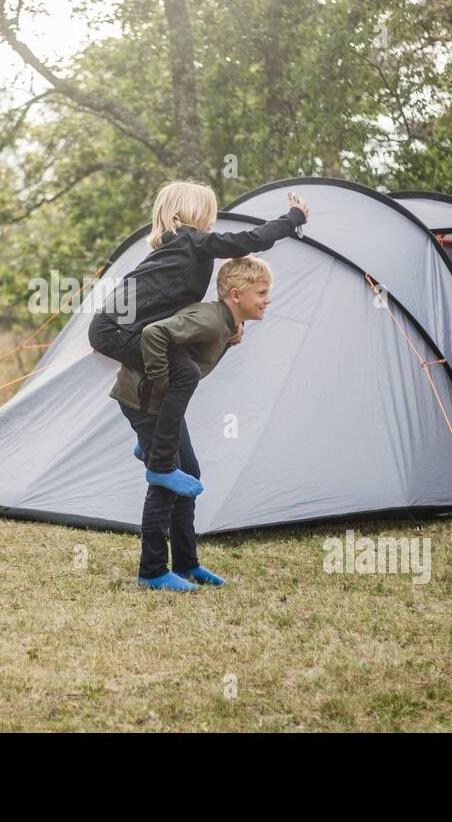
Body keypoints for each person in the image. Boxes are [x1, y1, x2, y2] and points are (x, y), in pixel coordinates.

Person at [88, 180, 307, 499]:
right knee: (185, 373)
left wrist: (233, 322)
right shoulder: (191, 241)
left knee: (177, 362)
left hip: (119, 328)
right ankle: (160, 465)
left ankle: (149, 436)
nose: (213, 219)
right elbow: (251, 240)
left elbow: (177, 308)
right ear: (194, 212)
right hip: (114, 330)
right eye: (210, 211)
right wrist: (294, 217)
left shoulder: (177, 246)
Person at [110, 255, 274, 591]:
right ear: (235, 294)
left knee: (190, 474)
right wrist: (161, 382)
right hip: (145, 402)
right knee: (166, 481)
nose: (267, 299)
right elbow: (154, 333)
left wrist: (234, 332)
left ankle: (186, 563)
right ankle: (152, 570)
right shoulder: (211, 321)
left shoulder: (225, 324)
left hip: (163, 410)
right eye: (261, 292)